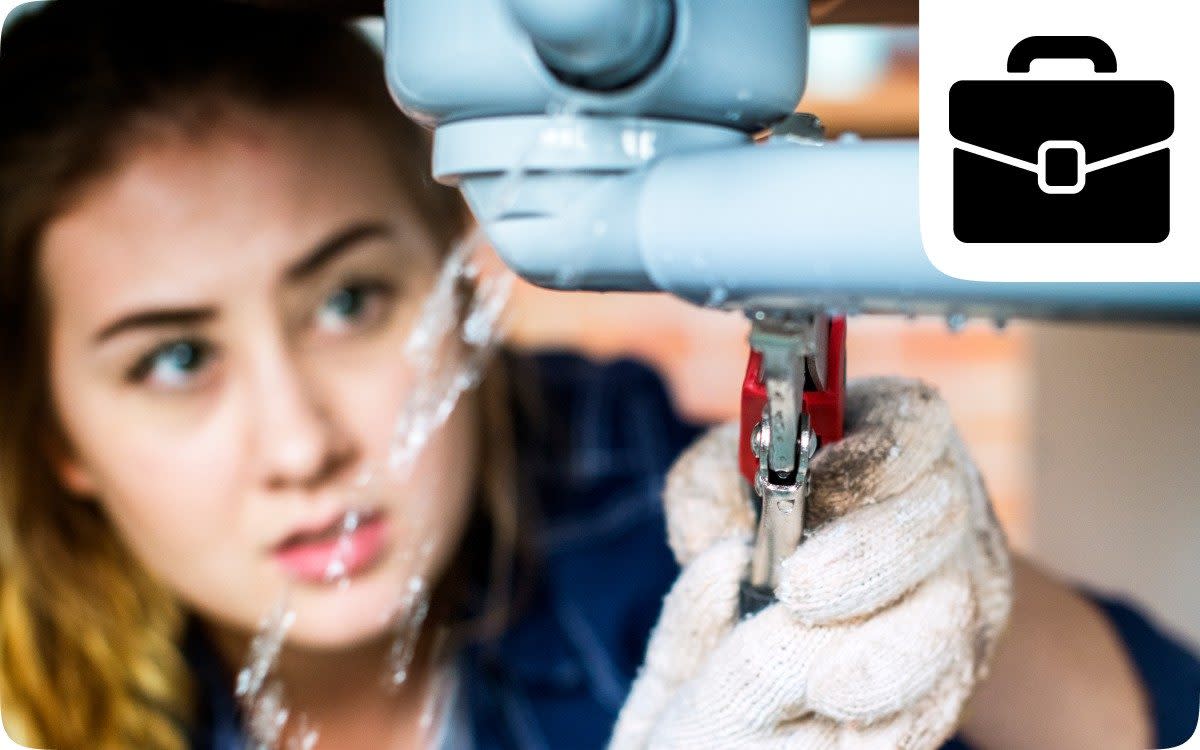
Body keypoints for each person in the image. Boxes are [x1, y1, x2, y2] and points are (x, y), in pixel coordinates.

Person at [0, 2, 1196, 749]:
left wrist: (972, 592)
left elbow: (1156, 717)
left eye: (350, 300)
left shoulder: (617, 489)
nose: (301, 443)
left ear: (456, 276)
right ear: (58, 431)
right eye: (175, 359)